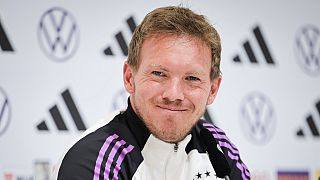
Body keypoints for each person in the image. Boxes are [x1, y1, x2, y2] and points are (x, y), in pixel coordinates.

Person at [52, 6, 250, 180]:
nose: (174, 95)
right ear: (130, 78)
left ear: (213, 89)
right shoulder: (94, 158)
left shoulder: (218, 146)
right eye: (159, 74)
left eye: (192, 78)